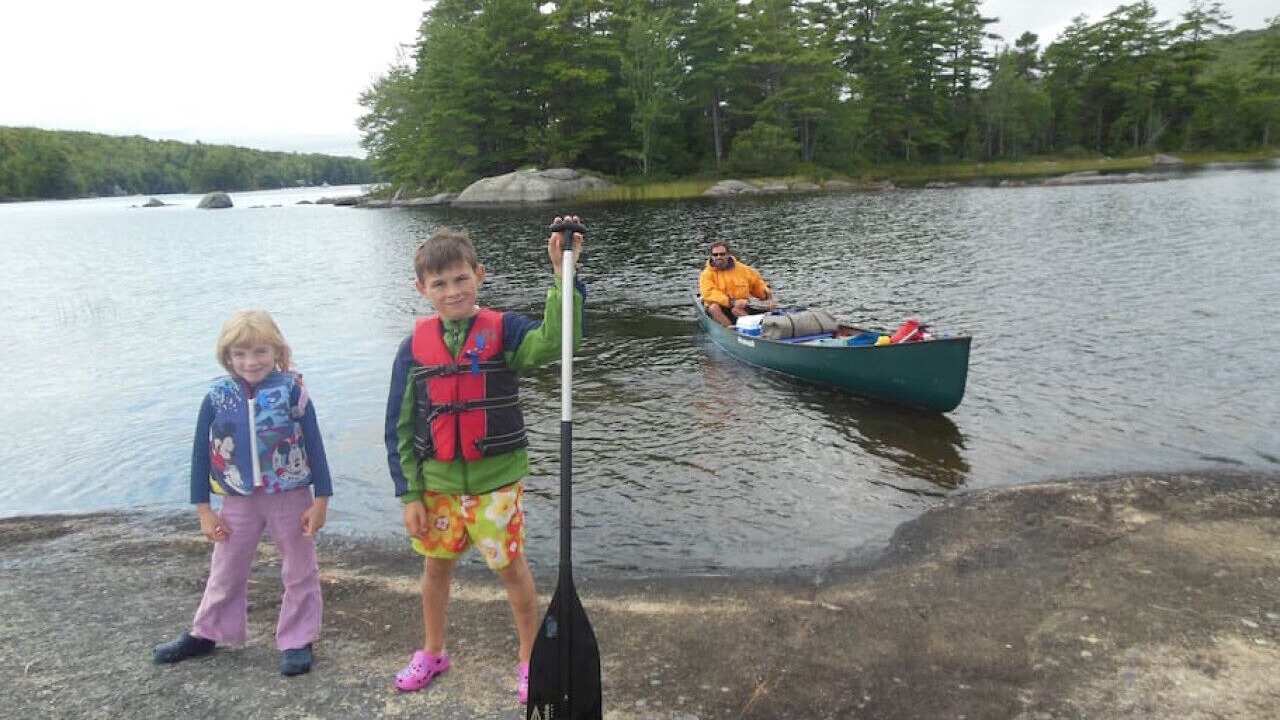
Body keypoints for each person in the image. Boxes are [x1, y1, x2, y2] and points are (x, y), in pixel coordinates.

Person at [384, 217, 585, 703]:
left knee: (511, 569)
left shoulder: (504, 330)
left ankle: (530, 659)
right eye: (439, 283)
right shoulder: (413, 348)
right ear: (422, 289)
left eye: (461, 279)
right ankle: (433, 651)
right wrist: (409, 492)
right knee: (436, 569)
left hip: (496, 482)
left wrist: (564, 276)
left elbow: (557, 342)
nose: (452, 291)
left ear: (480, 274)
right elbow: (400, 426)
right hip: (437, 485)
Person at [153, 310, 333, 676]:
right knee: (226, 567)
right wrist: (204, 509)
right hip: (237, 498)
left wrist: (321, 499)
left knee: (300, 569)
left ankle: (298, 639)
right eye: (240, 354)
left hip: (290, 493)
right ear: (227, 357)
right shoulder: (217, 397)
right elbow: (200, 454)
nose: (251, 362)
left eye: (260, 352)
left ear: (276, 351)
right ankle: (207, 632)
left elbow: (314, 444)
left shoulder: (293, 392)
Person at [699, 240, 777, 327]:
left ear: (728, 255)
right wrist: (732, 302)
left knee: (736, 310)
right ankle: (731, 330)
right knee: (713, 308)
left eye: (722, 254)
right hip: (719, 308)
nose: (718, 257)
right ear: (712, 256)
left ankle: (755, 327)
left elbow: (757, 284)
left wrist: (768, 298)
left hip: (739, 307)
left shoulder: (743, 270)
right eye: (715, 255)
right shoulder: (706, 274)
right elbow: (709, 294)